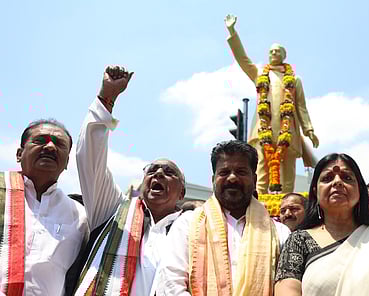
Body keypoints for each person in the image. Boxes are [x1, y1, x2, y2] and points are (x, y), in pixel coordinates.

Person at [74, 66, 185, 295]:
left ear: (182, 193)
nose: (158, 174)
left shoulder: (192, 228)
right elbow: (89, 157)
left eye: (169, 172)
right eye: (152, 170)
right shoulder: (112, 210)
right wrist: (107, 98)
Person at [275, 153, 369, 296]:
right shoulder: (300, 240)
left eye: (347, 177)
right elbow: (287, 290)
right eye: (327, 178)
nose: (337, 182)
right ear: (315, 191)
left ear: (359, 191)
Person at [162, 140, 290, 295]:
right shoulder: (187, 224)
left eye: (241, 172)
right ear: (212, 180)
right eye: (224, 172)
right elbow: (171, 282)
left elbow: (286, 287)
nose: (232, 178)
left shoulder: (280, 233)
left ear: (255, 180)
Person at [224, 14, 319, 194]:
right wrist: (232, 32)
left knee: (288, 172)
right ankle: (258, 203)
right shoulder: (260, 75)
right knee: (261, 169)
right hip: (263, 129)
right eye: (271, 51)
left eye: (277, 51)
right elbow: (242, 59)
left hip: (288, 132)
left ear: (284, 55)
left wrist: (309, 130)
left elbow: (300, 107)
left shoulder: (294, 80)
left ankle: (287, 204)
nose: (274, 53)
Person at [0, 119, 88, 295]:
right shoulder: (3, 191)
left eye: (59, 144)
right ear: (19, 154)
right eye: (40, 140)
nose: (50, 147)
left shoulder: (80, 216)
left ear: (67, 162)